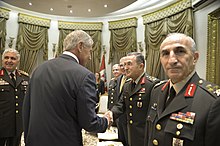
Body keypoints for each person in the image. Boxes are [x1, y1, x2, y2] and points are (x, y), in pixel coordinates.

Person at [22, 30, 110, 146]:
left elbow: (26, 110)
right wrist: (106, 121)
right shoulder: (84, 75)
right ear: (80, 46)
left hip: (35, 141)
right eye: (90, 51)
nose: (89, 57)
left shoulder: (39, 69)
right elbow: (89, 123)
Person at [144, 33, 220, 146]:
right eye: (165, 53)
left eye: (180, 51)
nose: (171, 60)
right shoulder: (157, 90)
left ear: (195, 57)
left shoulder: (212, 101)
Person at [105, 52, 159, 146]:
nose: (125, 68)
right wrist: (111, 113)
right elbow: (121, 104)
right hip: (130, 133)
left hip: (145, 136)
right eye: (125, 64)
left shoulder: (152, 85)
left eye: (129, 64)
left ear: (141, 66)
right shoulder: (127, 84)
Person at [0, 48, 29, 146]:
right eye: (6, 58)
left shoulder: (25, 77)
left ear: (18, 61)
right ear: (2, 60)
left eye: (13, 58)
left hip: (17, 125)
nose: (9, 61)